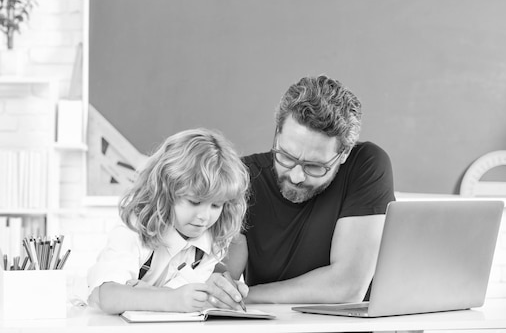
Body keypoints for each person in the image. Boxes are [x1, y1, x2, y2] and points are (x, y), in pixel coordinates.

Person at [210, 75, 396, 306]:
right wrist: (220, 287)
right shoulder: (243, 176)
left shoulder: (366, 164)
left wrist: (247, 296)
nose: (297, 176)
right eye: (286, 157)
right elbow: (222, 280)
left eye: (315, 166)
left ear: (344, 154)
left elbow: (347, 287)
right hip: (271, 326)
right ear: (277, 133)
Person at [87, 128, 250, 314]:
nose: (204, 217)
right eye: (194, 202)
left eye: (216, 205)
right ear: (166, 191)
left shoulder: (211, 242)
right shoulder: (136, 226)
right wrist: (171, 299)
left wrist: (156, 294)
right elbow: (108, 297)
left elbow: (178, 295)